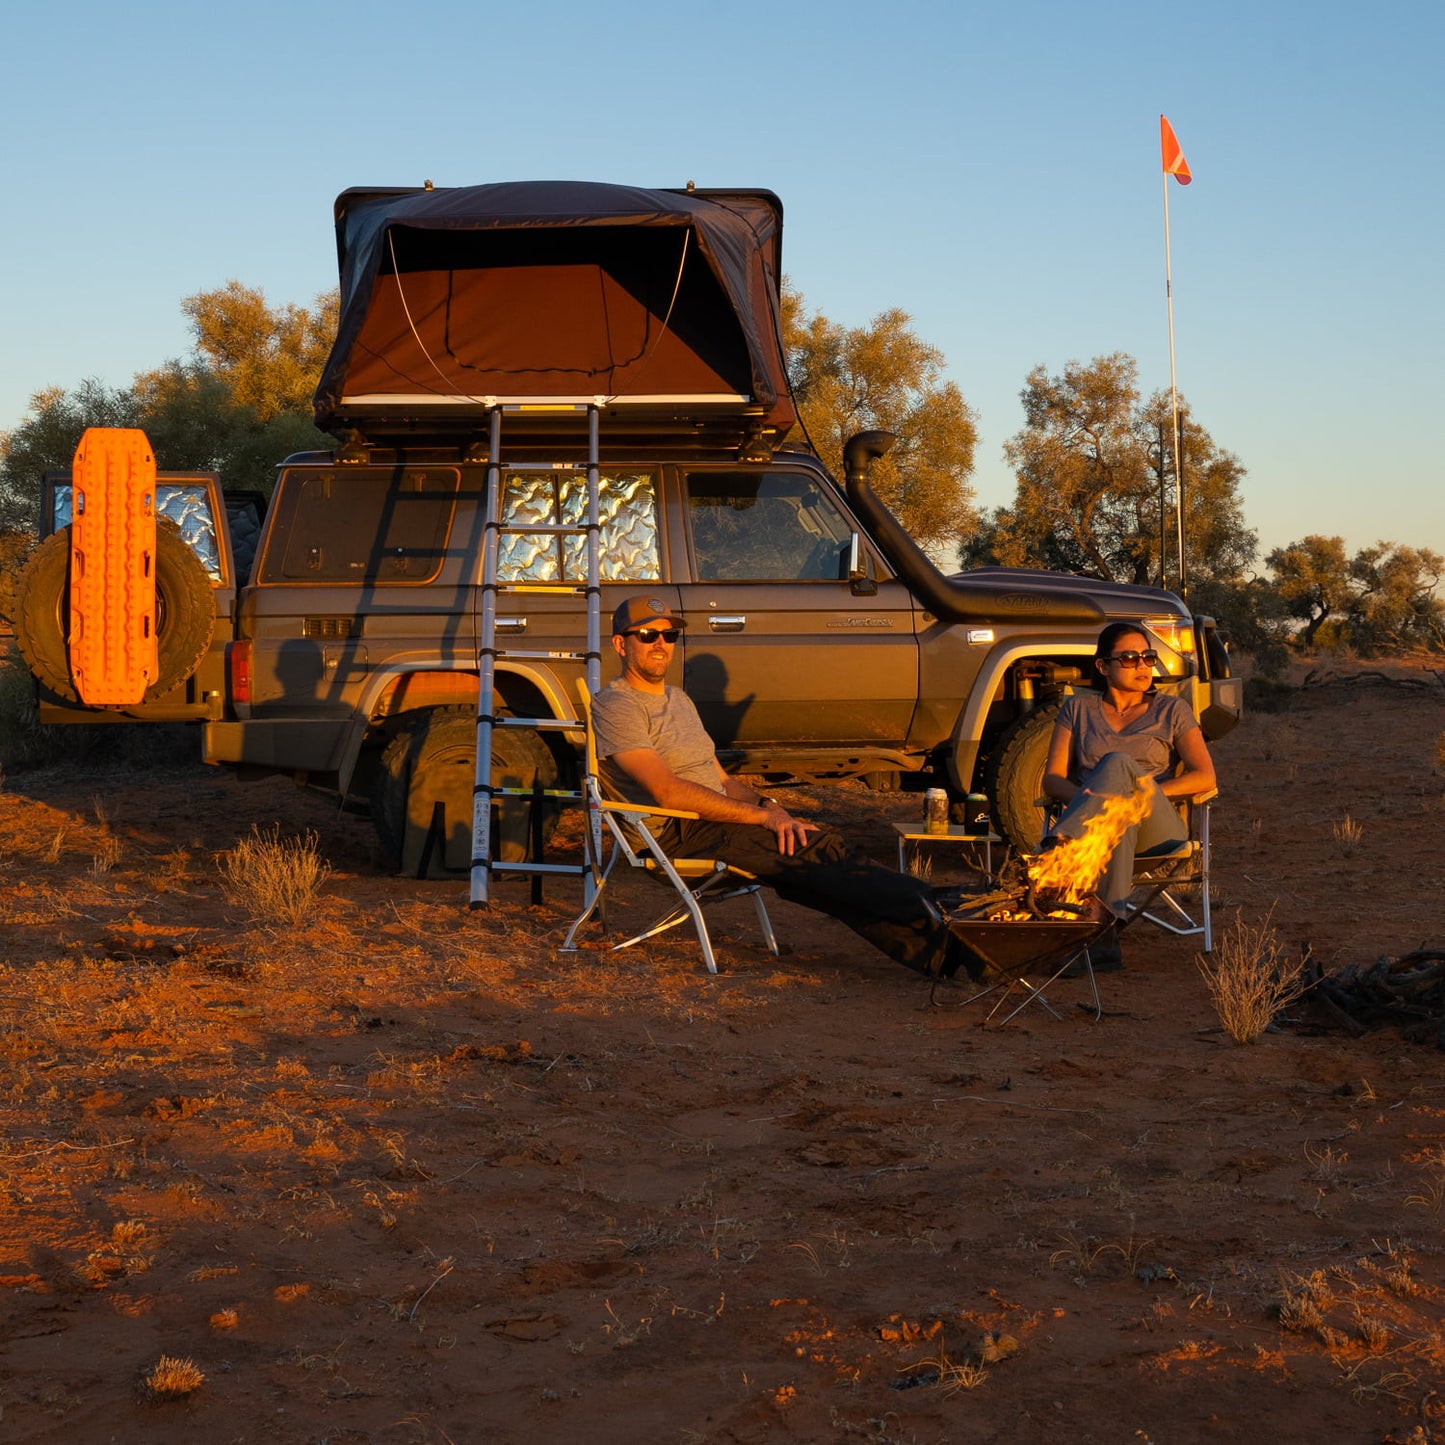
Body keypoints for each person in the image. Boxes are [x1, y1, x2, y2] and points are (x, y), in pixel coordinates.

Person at [591, 594, 984, 981]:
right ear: (620, 644)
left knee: (813, 863)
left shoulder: (679, 700)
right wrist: (763, 818)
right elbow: (667, 793)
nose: (660, 644)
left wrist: (770, 805)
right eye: (646, 634)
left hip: (713, 822)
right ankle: (945, 908)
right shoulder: (616, 705)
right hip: (675, 832)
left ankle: (943, 953)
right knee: (814, 853)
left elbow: (724, 781)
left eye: (668, 635)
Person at [1041, 620, 1217, 966]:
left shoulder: (1173, 710)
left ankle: (1058, 850)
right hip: (1109, 826)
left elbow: (1205, 776)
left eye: (1148, 657)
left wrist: (1144, 791)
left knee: (1119, 764)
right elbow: (1053, 780)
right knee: (1117, 819)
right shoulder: (1077, 710)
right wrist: (1106, 803)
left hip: (1158, 825)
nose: (1142, 666)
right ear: (1103, 666)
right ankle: (1103, 937)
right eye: (1130, 658)